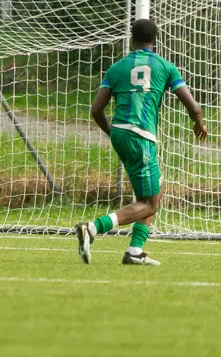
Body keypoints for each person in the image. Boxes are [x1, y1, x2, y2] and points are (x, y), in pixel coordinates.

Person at [75, 19, 207, 266]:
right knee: (148, 204)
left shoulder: (116, 68)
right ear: (155, 39)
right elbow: (193, 107)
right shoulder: (165, 66)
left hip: (121, 133)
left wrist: (113, 133)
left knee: (153, 189)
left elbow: (96, 110)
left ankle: (135, 250)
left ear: (132, 37)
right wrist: (199, 123)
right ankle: (91, 228)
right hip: (142, 135)